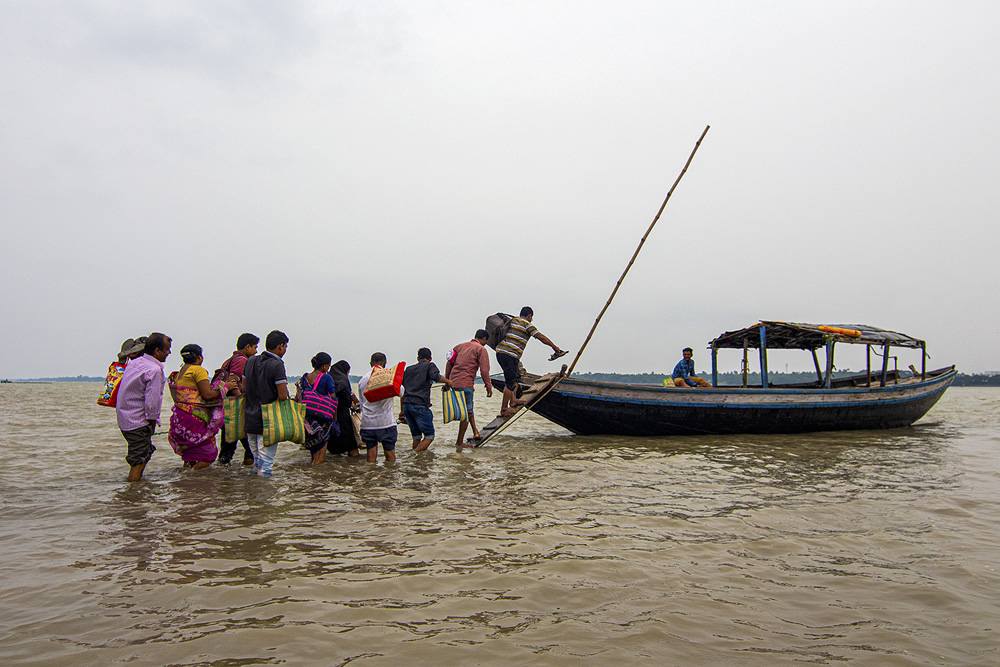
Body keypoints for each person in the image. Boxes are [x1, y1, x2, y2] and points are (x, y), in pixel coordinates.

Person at [167, 344, 235, 470]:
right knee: (209, 454)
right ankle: (191, 476)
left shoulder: (180, 372)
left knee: (190, 454)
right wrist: (226, 387)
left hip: (179, 416)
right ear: (199, 357)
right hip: (193, 417)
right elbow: (208, 395)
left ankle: (187, 483)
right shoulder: (198, 370)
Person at [115, 333, 171, 481]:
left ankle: (138, 492)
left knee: (142, 456)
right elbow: (152, 403)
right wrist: (152, 424)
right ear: (157, 351)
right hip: (138, 422)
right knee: (138, 461)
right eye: (167, 350)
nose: (169, 353)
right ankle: (133, 495)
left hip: (125, 419)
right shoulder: (154, 370)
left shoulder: (135, 362)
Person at [495, 306, 566, 416]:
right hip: (509, 354)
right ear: (529, 316)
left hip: (504, 353)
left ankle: (513, 400)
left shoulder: (513, 320)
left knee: (517, 377)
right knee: (510, 383)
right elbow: (541, 337)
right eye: (531, 317)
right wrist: (555, 348)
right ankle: (504, 409)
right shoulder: (527, 325)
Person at [243, 330, 289, 477]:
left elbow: (243, 388)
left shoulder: (250, 361)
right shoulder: (277, 364)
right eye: (285, 347)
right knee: (266, 462)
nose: (285, 350)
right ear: (280, 346)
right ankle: (264, 495)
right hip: (267, 420)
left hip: (250, 417)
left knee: (257, 460)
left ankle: (254, 493)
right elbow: (282, 396)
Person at [217, 333, 259, 466]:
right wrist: (241, 396)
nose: (256, 351)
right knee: (249, 444)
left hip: (227, 408)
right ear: (247, 347)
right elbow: (233, 382)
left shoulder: (229, 360)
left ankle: (224, 474)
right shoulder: (242, 361)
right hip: (236, 409)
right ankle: (251, 472)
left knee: (229, 442)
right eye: (254, 347)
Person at [445, 329, 494, 447]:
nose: (485, 344)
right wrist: (488, 386)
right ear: (484, 339)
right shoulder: (481, 349)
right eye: (485, 341)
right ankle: (459, 442)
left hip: (454, 383)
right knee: (466, 413)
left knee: (468, 411)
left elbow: (449, 363)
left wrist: (447, 381)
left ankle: (475, 432)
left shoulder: (459, 347)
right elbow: (484, 370)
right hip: (466, 384)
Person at [399, 348, 453, 452]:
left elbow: (403, 391)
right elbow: (436, 377)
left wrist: (402, 410)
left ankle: (414, 460)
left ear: (418, 358)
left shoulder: (408, 370)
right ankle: (415, 455)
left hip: (406, 406)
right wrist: (448, 381)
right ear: (430, 358)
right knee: (429, 435)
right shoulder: (430, 365)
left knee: (416, 436)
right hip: (419, 405)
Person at [295, 352, 338, 465]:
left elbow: (297, 397)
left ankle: (312, 478)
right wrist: (335, 417)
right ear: (324, 366)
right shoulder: (327, 377)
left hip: (308, 419)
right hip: (322, 417)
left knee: (313, 452)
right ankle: (318, 478)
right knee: (321, 456)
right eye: (328, 365)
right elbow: (333, 397)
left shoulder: (304, 378)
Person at [358, 352, 398, 463]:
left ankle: (371, 478)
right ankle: (389, 477)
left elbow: (362, 402)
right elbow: (401, 392)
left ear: (370, 363)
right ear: (385, 363)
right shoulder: (389, 377)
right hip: (386, 422)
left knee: (370, 457)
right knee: (390, 457)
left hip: (368, 423)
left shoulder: (362, 380)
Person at [326, 359, 360, 457]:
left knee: (332, 446)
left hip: (328, 417)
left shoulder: (328, 379)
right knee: (352, 447)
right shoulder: (343, 381)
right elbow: (348, 401)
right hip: (343, 417)